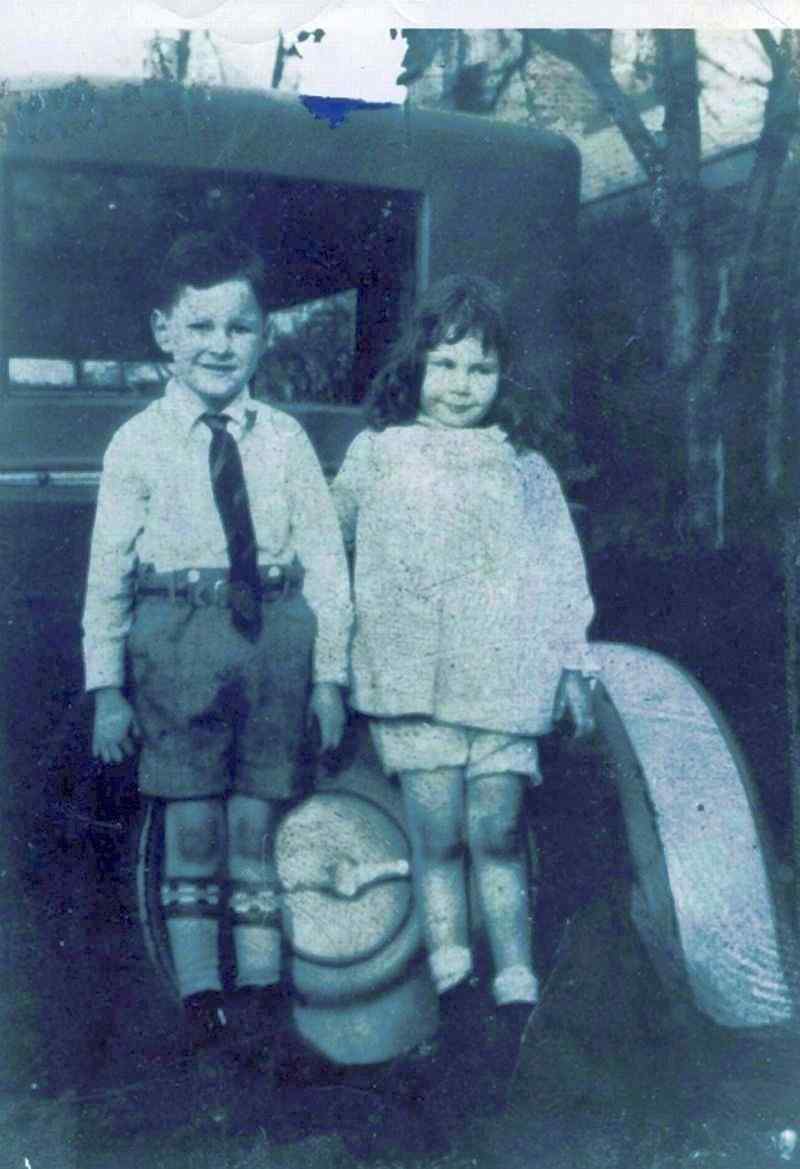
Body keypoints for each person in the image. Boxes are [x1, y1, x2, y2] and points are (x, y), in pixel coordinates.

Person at [82, 230, 352, 1068]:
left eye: (239, 327)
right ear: (164, 331)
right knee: (193, 823)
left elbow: (327, 564)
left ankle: (264, 995)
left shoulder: (285, 439)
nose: (219, 344)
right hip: (178, 638)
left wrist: (330, 677)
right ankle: (201, 999)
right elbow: (106, 575)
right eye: (199, 326)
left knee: (258, 823)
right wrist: (107, 688)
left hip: (275, 635)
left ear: (265, 335)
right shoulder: (137, 442)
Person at [330, 274, 597, 1095]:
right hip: (411, 679)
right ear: (415, 367)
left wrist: (573, 663)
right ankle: (452, 976)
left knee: (497, 829)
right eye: (444, 365)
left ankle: (515, 981)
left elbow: (562, 570)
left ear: (502, 376)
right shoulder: (378, 454)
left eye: (479, 369)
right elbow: (326, 543)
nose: (459, 384)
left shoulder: (525, 468)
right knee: (437, 835)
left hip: (504, 677)